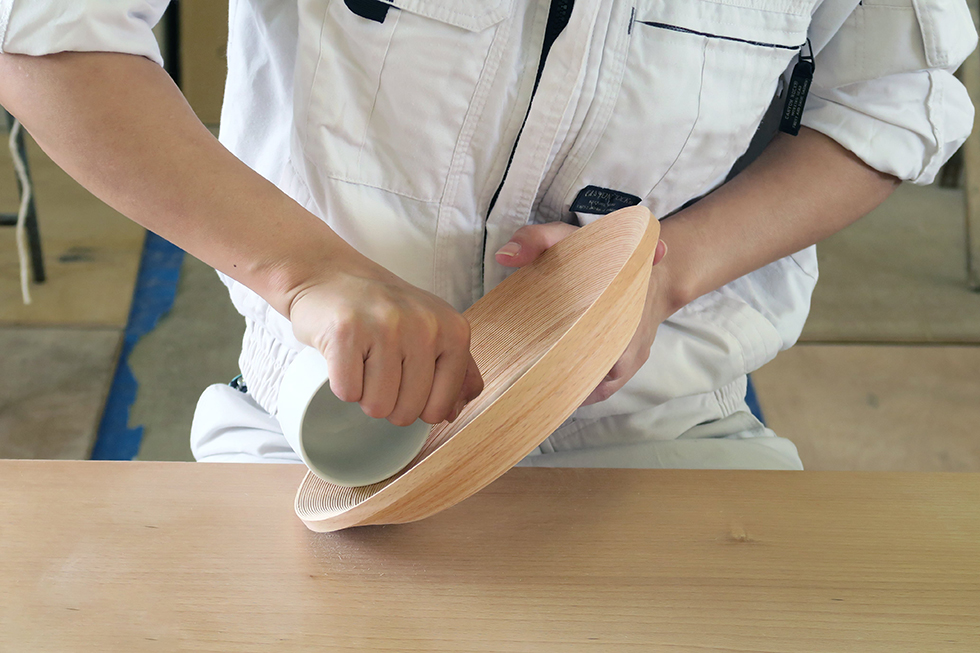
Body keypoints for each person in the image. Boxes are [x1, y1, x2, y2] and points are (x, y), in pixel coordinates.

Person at [0, 0, 975, 469]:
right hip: (320, 426)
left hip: (657, 430)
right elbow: (50, 35)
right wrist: (307, 271)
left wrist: (669, 271)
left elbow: (892, 99)